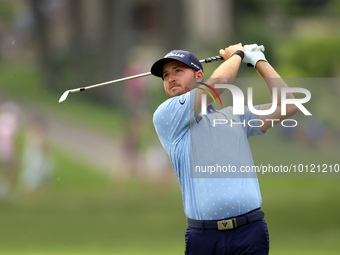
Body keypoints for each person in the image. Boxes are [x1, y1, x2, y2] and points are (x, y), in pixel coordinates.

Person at [150, 44, 298, 255]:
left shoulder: (235, 116)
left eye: (178, 71)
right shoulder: (167, 116)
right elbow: (217, 86)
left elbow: (289, 106)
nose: (170, 78)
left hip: (250, 232)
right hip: (204, 237)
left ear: (199, 75)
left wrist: (258, 61)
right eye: (165, 75)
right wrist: (238, 54)